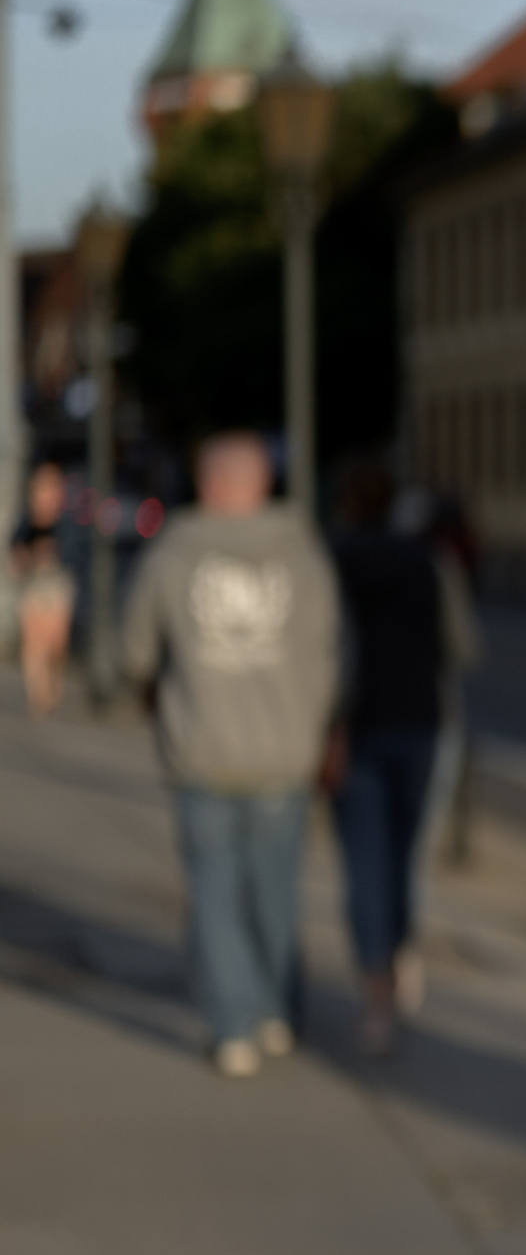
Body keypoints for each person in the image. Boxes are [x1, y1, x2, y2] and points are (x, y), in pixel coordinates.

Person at [122, 433, 339, 1079]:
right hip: (284, 753)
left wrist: (155, 695)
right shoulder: (303, 555)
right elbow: (332, 654)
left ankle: (232, 1028)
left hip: (204, 749)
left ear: (209, 484)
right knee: (275, 890)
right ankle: (273, 1011)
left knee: (215, 892)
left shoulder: (173, 554)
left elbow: (135, 650)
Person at [326, 457, 481, 1057]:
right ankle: (403, 958)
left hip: (354, 728)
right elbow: (463, 648)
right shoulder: (431, 562)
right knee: (408, 857)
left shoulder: (332, 561)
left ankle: (375, 1001)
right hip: (424, 725)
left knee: (366, 863)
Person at [9, 462, 76, 718]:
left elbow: (73, 555)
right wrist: (27, 557)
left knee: (56, 642)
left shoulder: (65, 522)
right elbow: (15, 552)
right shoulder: (25, 522)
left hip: (57, 583)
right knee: (34, 641)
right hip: (33, 583)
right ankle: (39, 695)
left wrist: (54, 554)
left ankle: (52, 685)